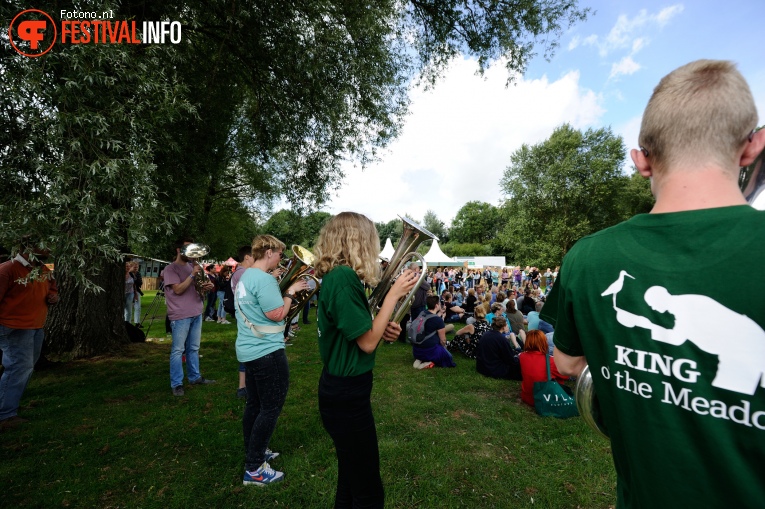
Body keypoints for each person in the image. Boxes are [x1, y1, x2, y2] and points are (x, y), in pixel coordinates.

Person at [541, 60, 765, 508]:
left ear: (641, 160)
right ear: (752, 146)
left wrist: (628, 331)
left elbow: (566, 366)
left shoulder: (587, 257)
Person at [314, 211, 417, 508]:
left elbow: (363, 332)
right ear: (358, 240)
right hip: (346, 395)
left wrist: (384, 325)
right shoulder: (344, 278)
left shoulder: (339, 277)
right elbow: (368, 343)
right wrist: (393, 296)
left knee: (351, 477)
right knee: (368, 490)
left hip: (342, 390)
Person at [236, 235, 308, 486]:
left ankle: (254, 451)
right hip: (266, 350)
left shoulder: (246, 275)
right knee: (271, 407)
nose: (282, 258)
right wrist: (290, 292)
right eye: (279, 253)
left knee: (254, 405)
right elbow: (277, 314)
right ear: (268, 252)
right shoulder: (264, 279)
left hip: (249, 349)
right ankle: (254, 468)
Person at [0, 242, 58, 430]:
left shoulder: (44, 269)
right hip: (13, 327)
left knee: (26, 368)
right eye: (45, 246)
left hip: (35, 326)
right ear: (28, 248)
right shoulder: (7, 270)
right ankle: (5, 414)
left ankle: (9, 405)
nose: (49, 250)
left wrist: (53, 297)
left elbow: (52, 289)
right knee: (18, 367)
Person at [164, 238, 216, 397]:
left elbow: (199, 288)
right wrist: (192, 276)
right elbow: (178, 290)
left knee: (193, 348)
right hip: (180, 315)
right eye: (188, 249)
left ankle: (195, 377)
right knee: (178, 350)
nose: (192, 253)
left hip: (196, 312)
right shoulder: (170, 269)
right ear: (179, 250)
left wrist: (207, 286)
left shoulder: (192, 267)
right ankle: (177, 384)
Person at [518, 330, 567, 407]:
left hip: (527, 396)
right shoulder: (550, 361)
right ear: (544, 342)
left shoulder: (522, 356)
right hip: (545, 398)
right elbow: (565, 376)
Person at [231, 244, 255, 399]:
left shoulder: (242, 273)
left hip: (245, 314)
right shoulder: (243, 274)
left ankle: (246, 385)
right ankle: (242, 387)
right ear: (247, 257)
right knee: (248, 349)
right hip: (246, 315)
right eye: (254, 256)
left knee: (248, 349)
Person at [412, 295, 456, 368]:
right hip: (430, 350)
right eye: (439, 303)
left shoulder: (422, 313)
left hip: (416, 350)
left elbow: (431, 318)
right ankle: (428, 361)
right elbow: (443, 340)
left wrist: (440, 313)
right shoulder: (438, 321)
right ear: (436, 305)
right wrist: (444, 348)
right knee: (448, 357)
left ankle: (421, 359)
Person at [129, 262, 144, 327]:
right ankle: (128, 323)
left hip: (137, 291)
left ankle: (137, 322)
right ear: (131, 267)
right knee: (128, 308)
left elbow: (140, 282)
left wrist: (135, 281)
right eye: (135, 267)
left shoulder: (138, 273)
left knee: (138, 307)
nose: (136, 268)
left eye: (137, 267)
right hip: (129, 292)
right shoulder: (128, 274)